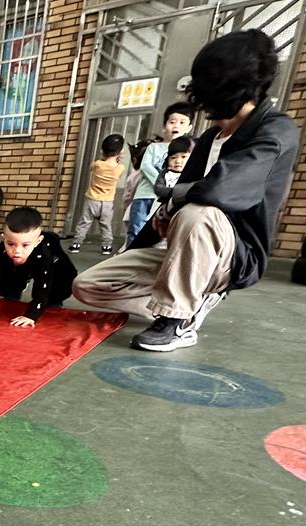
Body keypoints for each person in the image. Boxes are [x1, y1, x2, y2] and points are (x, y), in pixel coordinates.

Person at [72, 30, 300, 352]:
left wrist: (174, 201)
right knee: (87, 286)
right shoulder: (208, 139)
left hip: (233, 257)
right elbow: (171, 204)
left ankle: (177, 322)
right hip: (182, 252)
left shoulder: (276, 131)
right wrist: (134, 249)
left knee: (198, 212)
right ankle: (189, 302)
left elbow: (219, 189)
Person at [0, 206, 78, 327]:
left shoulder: (45, 255)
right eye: (11, 244)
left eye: (25, 245)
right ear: (3, 239)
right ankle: (13, 292)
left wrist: (31, 315)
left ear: (38, 241)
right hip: (21, 267)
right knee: (7, 285)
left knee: (55, 294)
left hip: (59, 273)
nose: (17, 251)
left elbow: (43, 286)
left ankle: (53, 303)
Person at [126, 102, 196, 246]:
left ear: (189, 128)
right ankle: (131, 255)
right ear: (164, 126)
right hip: (145, 195)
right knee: (136, 229)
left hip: (168, 200)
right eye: (172, 122)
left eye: (182, 122)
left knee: (161, 233)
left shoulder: (190, 150)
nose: (176, 126)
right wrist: (161, 184)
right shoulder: (154, 147)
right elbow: (146, 166)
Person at [69, 133, 126, 256]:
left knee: (84, 223)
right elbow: (117, 170)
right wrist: (117, 160)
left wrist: (103, 158)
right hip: (107, 203)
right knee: (106, 225)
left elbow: (91, 167)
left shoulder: (98, 164)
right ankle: (107, 247)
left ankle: (76, 245)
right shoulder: (120, 168)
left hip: (92, 200)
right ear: (120, 152)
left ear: (102, 150)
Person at [152, 136, 193, 207]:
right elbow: (158, 189)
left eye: (183, 157)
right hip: (164, 207)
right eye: (173, 157)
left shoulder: (192, 174)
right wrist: (177, 192)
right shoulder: (166, 173)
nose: (178, 161)